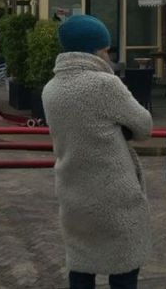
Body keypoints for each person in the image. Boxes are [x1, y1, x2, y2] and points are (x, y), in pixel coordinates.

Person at [42, 15, 152, 289]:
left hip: (73, 192)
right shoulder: (104, 85)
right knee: (124, 265)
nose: (108, 56)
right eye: (105, 50)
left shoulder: (50, 89)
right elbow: (144, 125)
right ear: (93, 50)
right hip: (115, 195)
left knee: (81, 264)